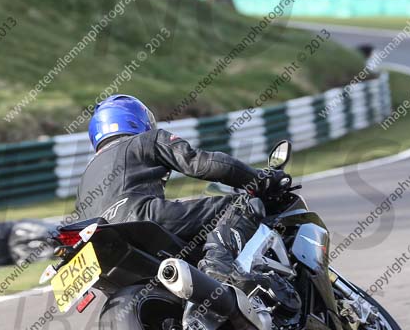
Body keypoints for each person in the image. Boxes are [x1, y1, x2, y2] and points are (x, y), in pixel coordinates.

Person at [75, 94, 283, 285]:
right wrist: (261, 178)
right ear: (136, 119)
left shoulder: (85, 177)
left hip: (99, 242)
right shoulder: (146, 140)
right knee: (243, 204)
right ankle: (218, 264)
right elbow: (202, 164)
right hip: (141, 217)